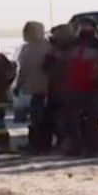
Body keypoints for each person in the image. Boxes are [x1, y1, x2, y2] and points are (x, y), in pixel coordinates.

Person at [60, 17, 98, 157]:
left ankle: (94, 147)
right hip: (71, 86)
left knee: (92, 120)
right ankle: (75, 146)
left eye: (87, 25)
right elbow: (61, 63)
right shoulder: (70, 44)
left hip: (92, 86)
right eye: (81, 26)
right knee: (71, 120)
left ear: (93, 27)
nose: (84, 28)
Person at [15, 21, 52, 153]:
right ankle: (36, 143)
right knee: (35, 117)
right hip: (33, 89)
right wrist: (18, 85)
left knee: (43, 118)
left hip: (48, 89)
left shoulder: (49, 47)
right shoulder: (26, 49)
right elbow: (22, 70)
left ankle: (43, 144)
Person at [42, 23, 76, 151]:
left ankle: (66, 141)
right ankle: (63, 141)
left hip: (66, 87)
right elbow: (45, 67)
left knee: (63, 117)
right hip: (58, 87)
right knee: (56, 116)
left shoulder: (68, 48)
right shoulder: (54, 49)